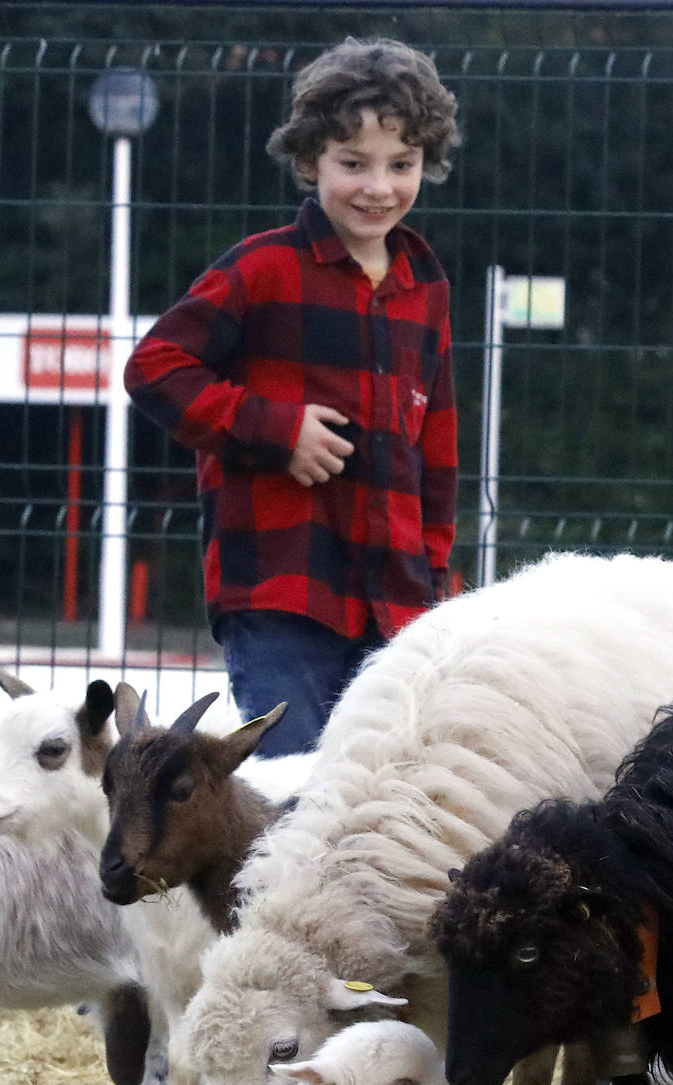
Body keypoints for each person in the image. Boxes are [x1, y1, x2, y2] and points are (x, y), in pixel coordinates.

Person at [125, 37, 461, 756]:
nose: (379, 186)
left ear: (425, 163)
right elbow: (155, 367)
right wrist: (275, 430)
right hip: (280, 591)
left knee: (377, 796)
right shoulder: (262, 268)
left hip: (397, 604)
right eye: (353, 163)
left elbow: (436, 447)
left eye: (401, 165)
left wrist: (435, 579)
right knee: (294, 788)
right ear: (309, 162)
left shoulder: (427, 285)